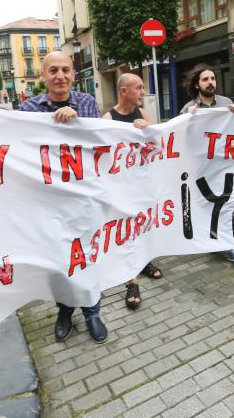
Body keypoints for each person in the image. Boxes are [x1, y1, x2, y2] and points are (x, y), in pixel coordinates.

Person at [18, 51, 108, 344]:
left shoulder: (87, 103)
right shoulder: (27, 109)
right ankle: (65, 310)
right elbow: (21, 150)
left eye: (65, 70)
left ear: (73, 73)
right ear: (43, 75)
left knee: (87, 255)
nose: (60, 76)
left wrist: (76, 121)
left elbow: (98, 144)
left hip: (82, 197)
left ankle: (92, 311)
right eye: (53, 70)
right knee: (57, 258)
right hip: (48, 199)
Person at [103, 73, 163, 309]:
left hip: (141, 183)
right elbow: (105, 153)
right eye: (138, 88)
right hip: (121, 186)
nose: (142, 92)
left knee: (143, 226)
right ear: (124, 91)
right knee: (126, 231)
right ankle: (131, 282)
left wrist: (146, 129)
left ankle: (144, 262)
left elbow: (156, 143)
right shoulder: (109, 118)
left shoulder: (143, 113)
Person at [178, 64, 234, 265]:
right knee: (208, 205)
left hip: (224, 164)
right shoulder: (189, 108)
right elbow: (181, 136)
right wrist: (186, 118)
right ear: (197, 85)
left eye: (212, 79)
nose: (210, 82)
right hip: (201, 167)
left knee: (228, 203)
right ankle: (215, 241)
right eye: (205, 79)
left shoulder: (227, 103)